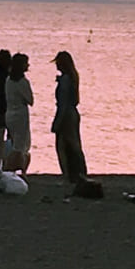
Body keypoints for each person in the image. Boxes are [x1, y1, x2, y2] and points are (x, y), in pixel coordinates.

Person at [51, 50, 87, 184]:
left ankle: (67, 175)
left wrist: (57, 121)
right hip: (73, 113)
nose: (56, 66)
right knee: (75, 145)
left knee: (62, 146)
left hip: (66, 115)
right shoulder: (72, 77)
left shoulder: (66, 80)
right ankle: (79, 173)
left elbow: (63, 103)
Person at [4, 53, 33, 173]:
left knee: (16, 143)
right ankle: (12, 169)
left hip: (9, 114)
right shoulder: (23, 82)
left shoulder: (8, 80)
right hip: (20, 115)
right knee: (21, 146)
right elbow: (30, 100)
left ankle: (14, 169)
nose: (28, 65)